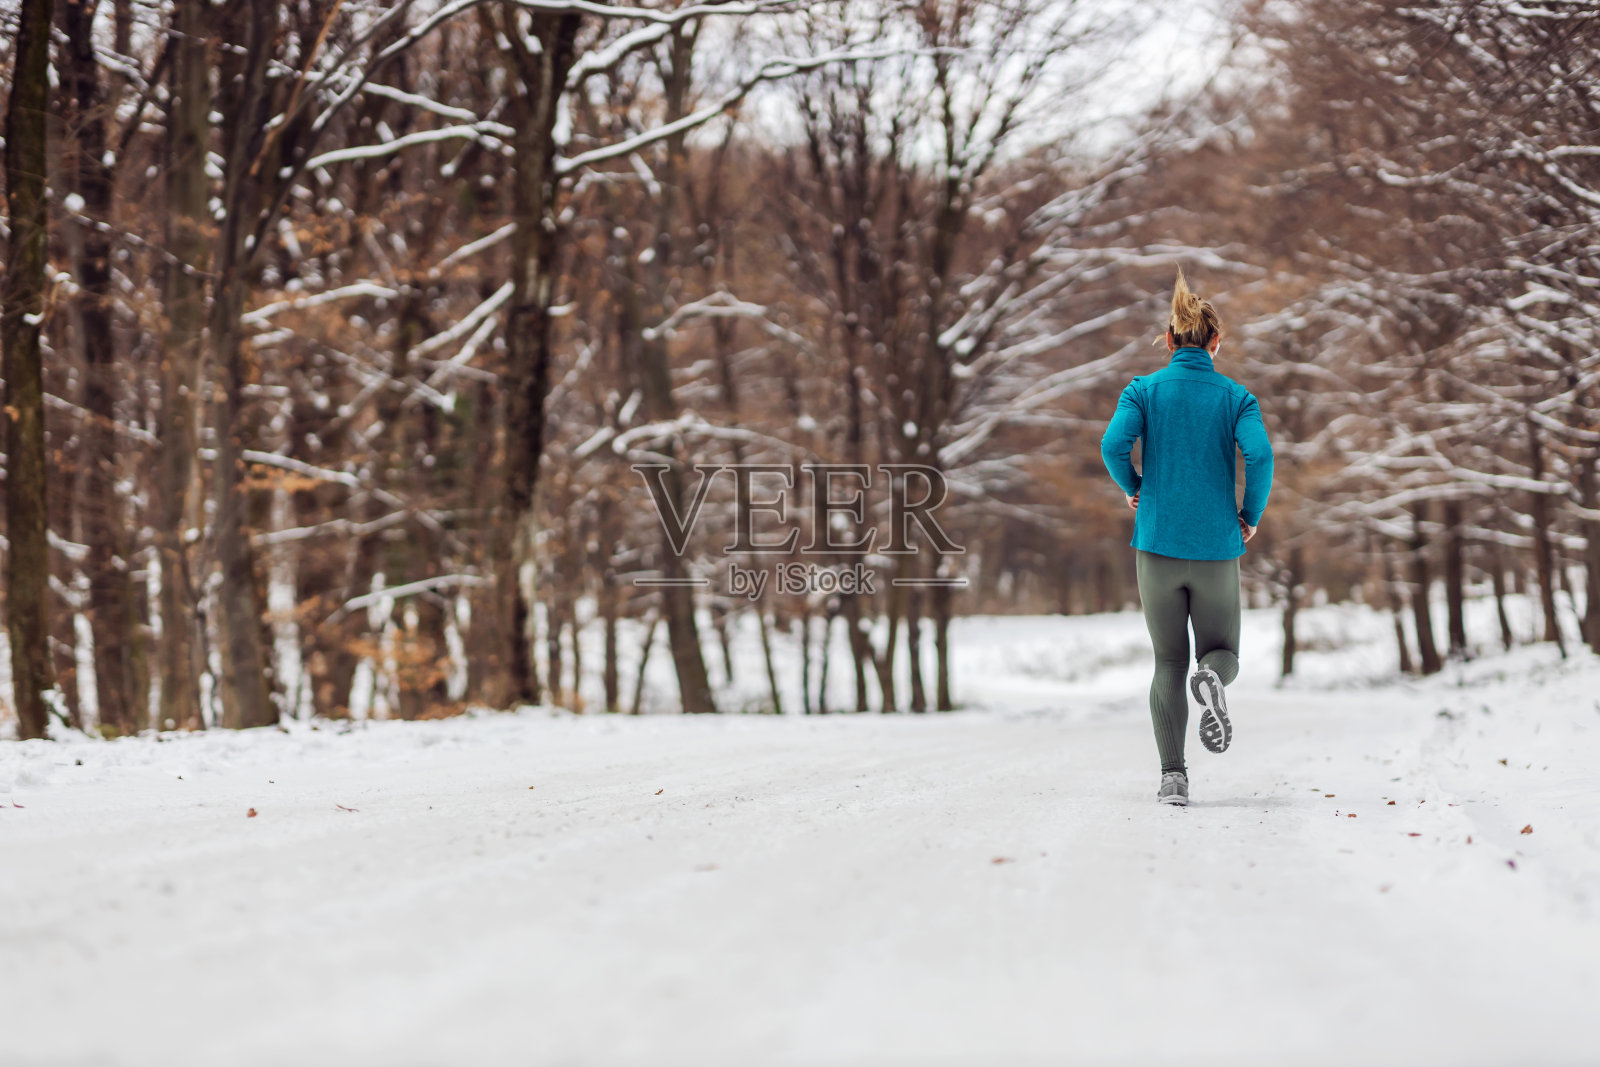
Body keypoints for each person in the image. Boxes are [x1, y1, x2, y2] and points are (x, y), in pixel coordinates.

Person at [1099, 270, 1274, 806]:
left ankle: (1173, 777)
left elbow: (1112, 445)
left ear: (1171, 340)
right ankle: (1212, 679)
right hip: (1218, 547)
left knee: (1167, 663)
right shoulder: (1236, 397)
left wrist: (1136, 487)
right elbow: (1260, 456)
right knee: (1223, 653)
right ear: (1216, 343)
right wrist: (1250, 513)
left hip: (1156, 547)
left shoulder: (1143, 391)